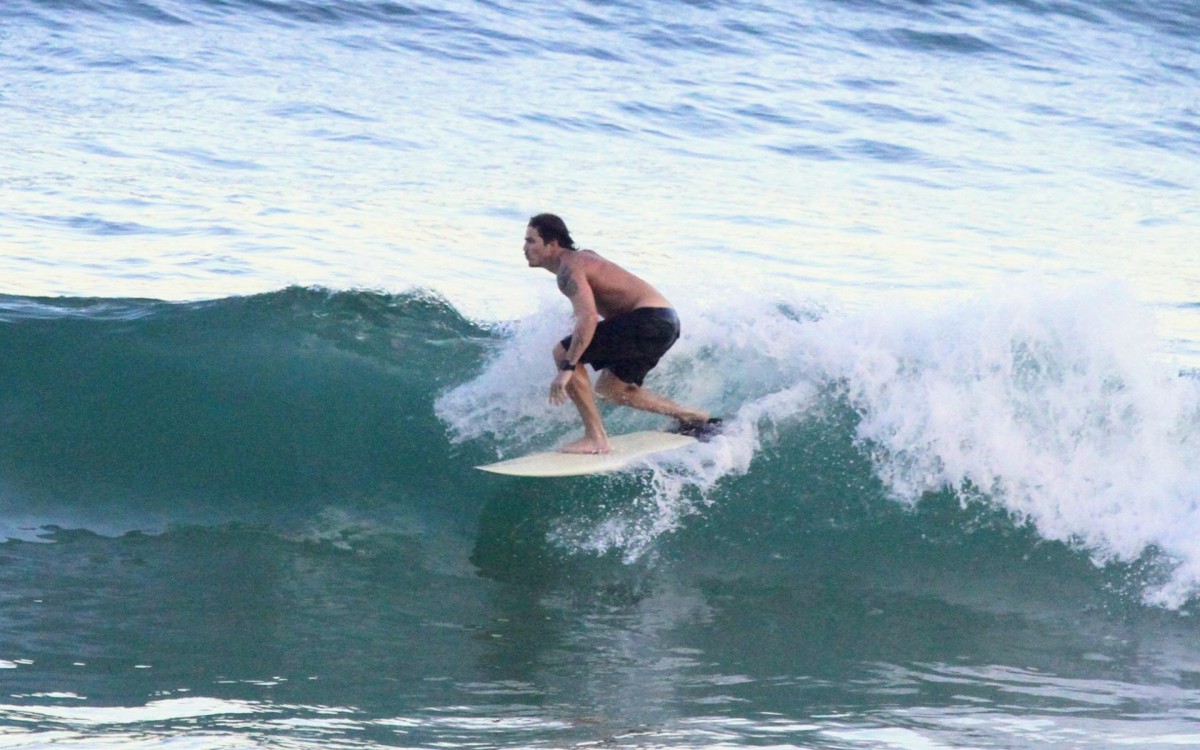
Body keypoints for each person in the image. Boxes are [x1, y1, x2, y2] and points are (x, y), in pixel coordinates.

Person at [523, 213, 714, 454]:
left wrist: (567, 368)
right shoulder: (583, 259)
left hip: (648, 320)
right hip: (666, 322)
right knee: (611, 389)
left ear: (552, 244)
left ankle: (595, 438)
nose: (524, 248)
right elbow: (598, 304)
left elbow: (589, 317)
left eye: (531, 241)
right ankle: (692, 416)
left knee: (563, 352)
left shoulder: (568, 270)